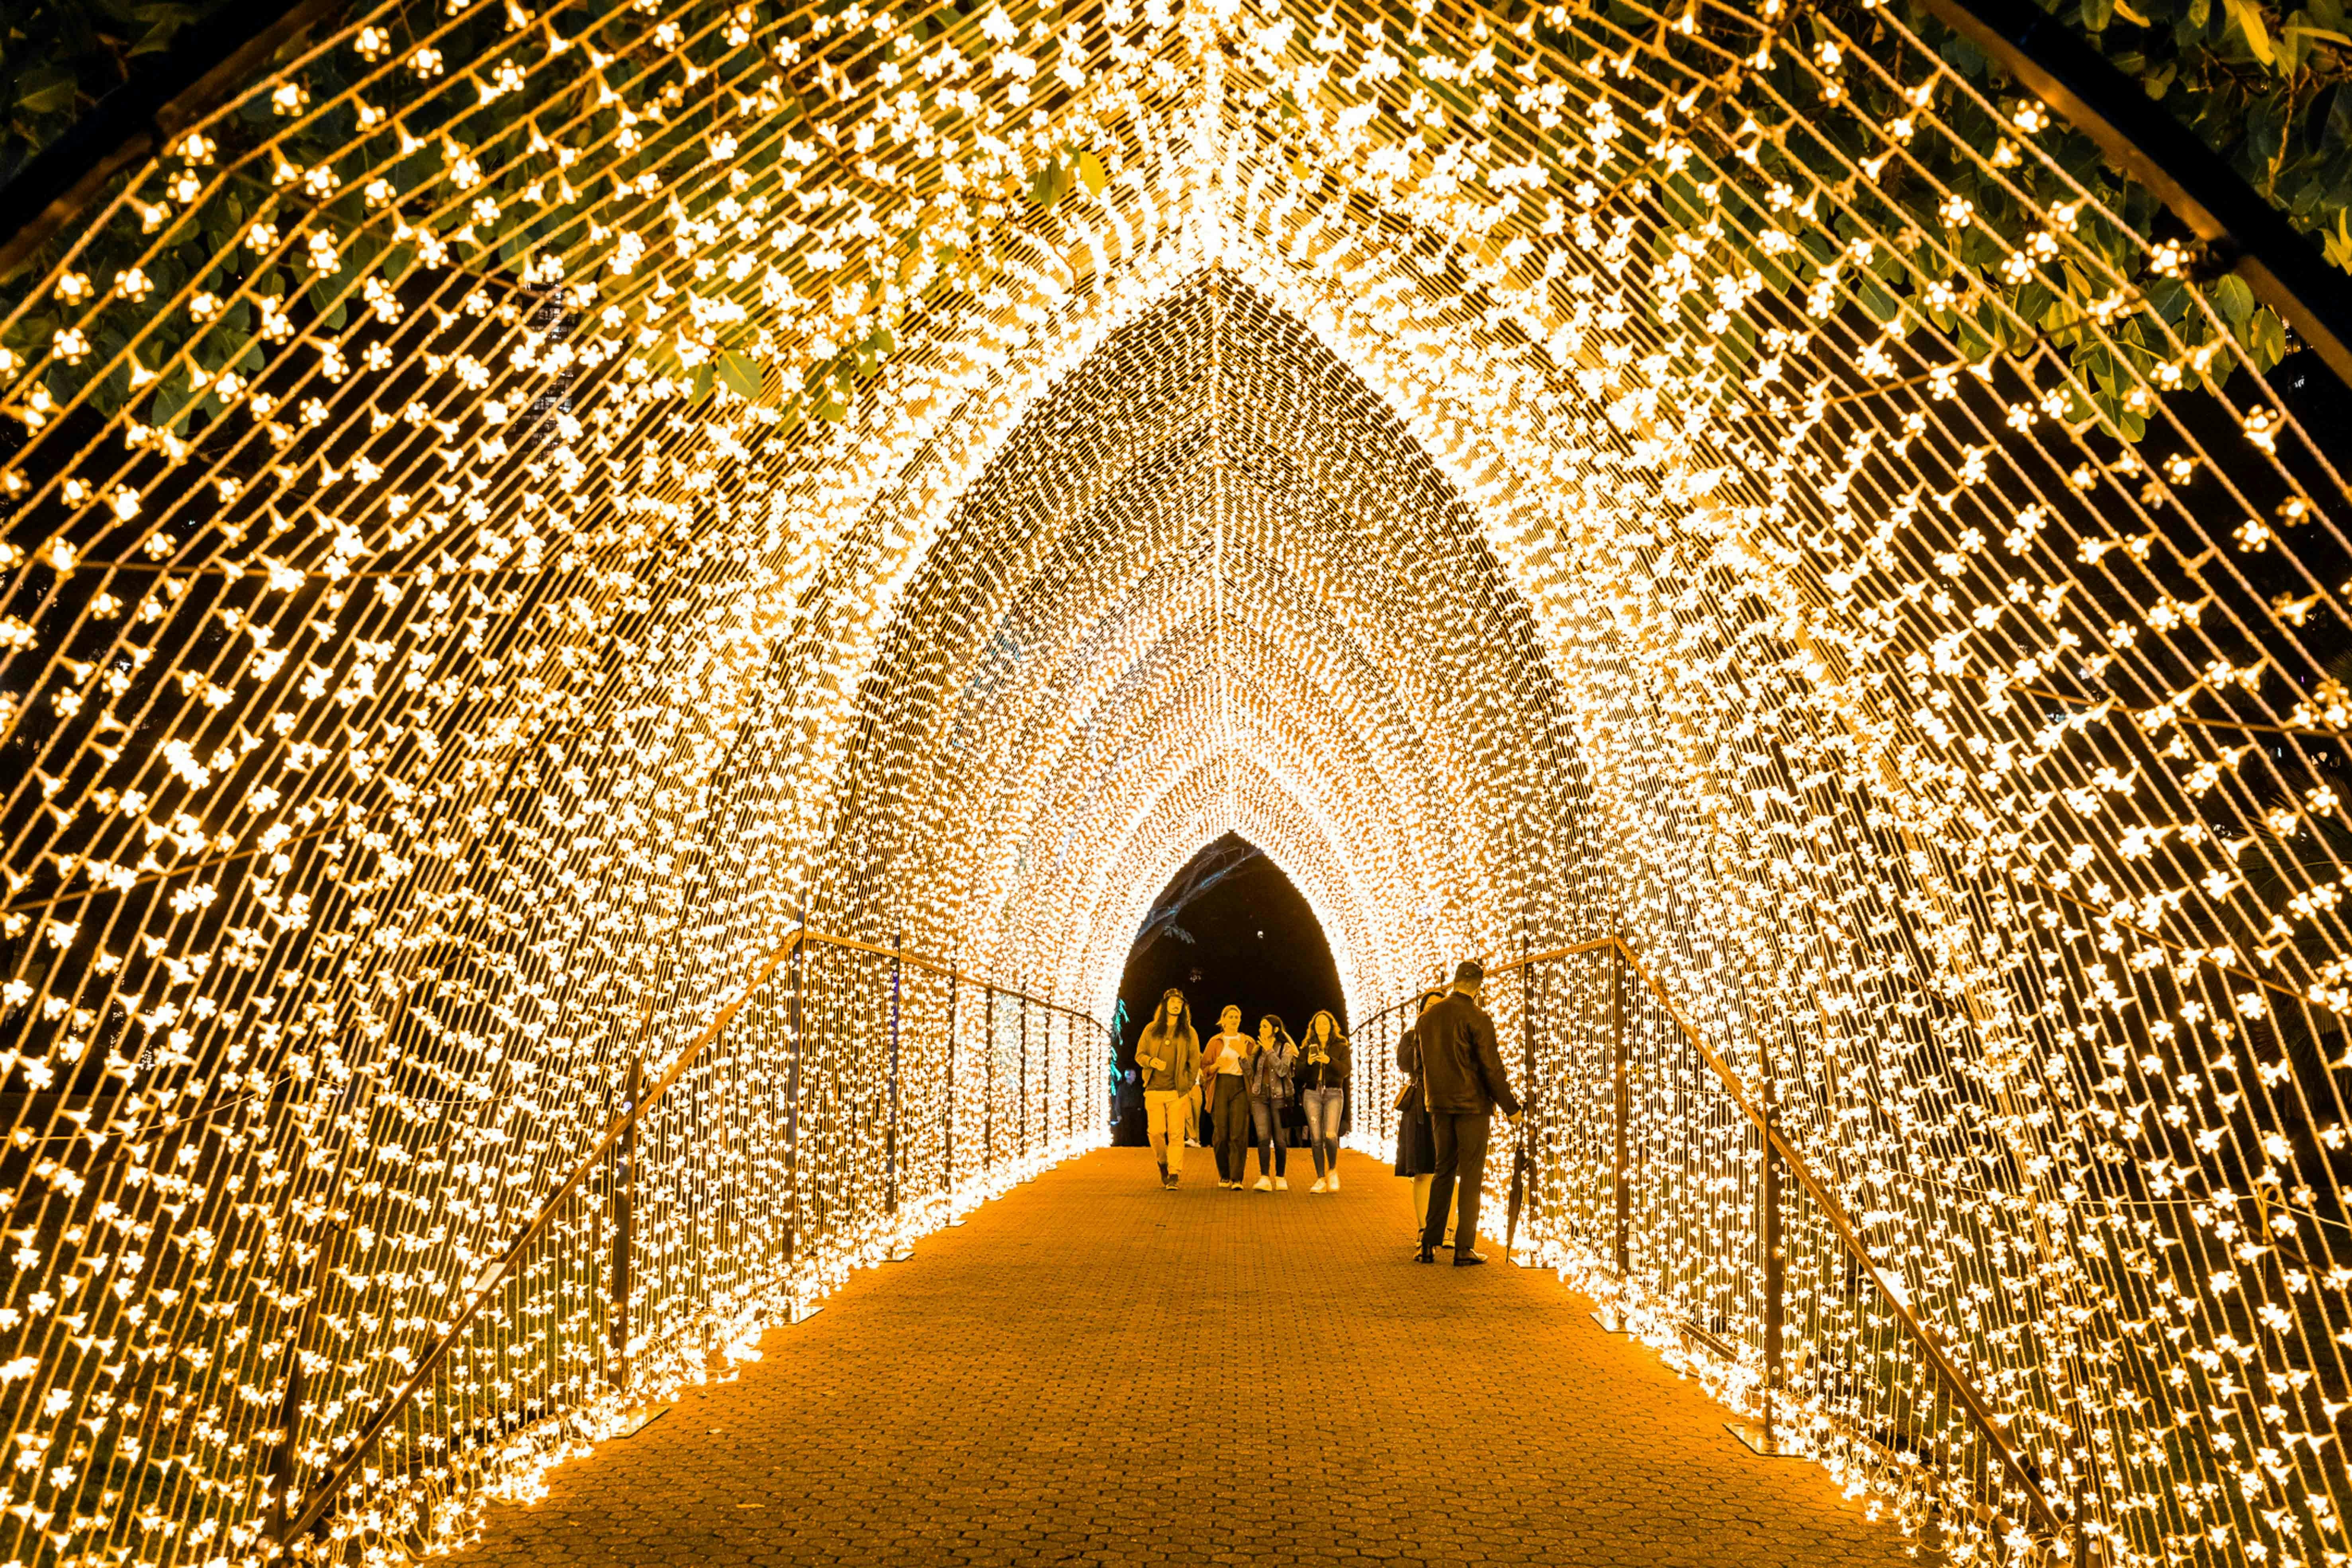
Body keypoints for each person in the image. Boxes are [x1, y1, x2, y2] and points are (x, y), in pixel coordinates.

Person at [1415, 960, 1521, 1266]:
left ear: (1454, 981)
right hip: (1473, 1105)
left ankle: (1428, 1244)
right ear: (1478, 985)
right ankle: (1464, 1247)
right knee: (1472, 1174)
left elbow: (1420, 1063)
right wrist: (1511, 1108)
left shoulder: (1427, 1018)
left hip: (1438, 1103)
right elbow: (1491, 1068)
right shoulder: (1478, 1017)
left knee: (1443, 1170)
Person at [1392, 989, 1448, 1245]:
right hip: (1420, 1109)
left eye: (1439, 1005)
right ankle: (1425, 1230)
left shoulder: (1452, 1034)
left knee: (1449, 1171)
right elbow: (1404, 1063)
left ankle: (1449, 1230)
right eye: (1429, 1006)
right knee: (1424, 1171)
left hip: (1447, 1106)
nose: (1433, 1010)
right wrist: (1420, 1036)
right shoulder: (1411, 1037)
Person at [1135, 989, 1199, 1189]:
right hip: (1154, 1089)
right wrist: (1151, 1062)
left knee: (1176, 1134)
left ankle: (1174, 1174)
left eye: (1179, 1003)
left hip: (1177, 1092)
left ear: (1183, 1007)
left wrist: (1187, 1085)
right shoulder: (1151, 1029)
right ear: (1164, 1005)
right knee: (1155, 1132)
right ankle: (1162, 1162)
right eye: (1172, 1002)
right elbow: (1140, 1055)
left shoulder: (1189, 1032)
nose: (1176, 1005)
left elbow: (1194, 1061)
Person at [1296, 1010, 1350, 1192]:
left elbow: (1345, 1070)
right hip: (1312, 1093)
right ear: (1313, 1027)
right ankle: (1320, 1178)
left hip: (1334, 1092)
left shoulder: (1341, 1046)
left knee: (1330, 1134)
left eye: (1325, 1023)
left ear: (1331, 1026)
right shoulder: (1307, 1047)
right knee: (1316, 1137)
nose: (1321, 1026)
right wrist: (1310, 1063)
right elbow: (1299, 1074)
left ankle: (1333, 1170)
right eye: (1318, 1024)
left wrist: (1329, 1061)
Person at [1200, 1005, 1253, 1189]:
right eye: (1230, 1017)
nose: (1234, 1020)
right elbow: (1204, 1069)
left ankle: (1237, 1178)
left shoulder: (1247, 1041)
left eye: (1237, 1017)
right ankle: (1224, 1174)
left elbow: (1255, 1071)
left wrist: (1243, 1054)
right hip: (1220, 1086)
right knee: (1221, 1134)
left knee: (1238, 1133)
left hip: (1240, 1086)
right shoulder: (1215, 1042)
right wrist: (1216, 1066)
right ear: (1223, 1020)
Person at [1244, 1014, 1297, 1192]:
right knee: (1263, 1137)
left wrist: (1269, 1051)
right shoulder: (1258, 1049)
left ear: (1275, 1029)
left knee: (1281, 1140)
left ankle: (1281, 1176)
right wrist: (1241, 1057)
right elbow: (1251, 1074)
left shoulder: (1286, 1047)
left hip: (1280, 1097)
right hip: (1260, 1097)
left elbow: (1283, 1070)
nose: (1261, 1029)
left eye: (1265, 1026)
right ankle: (1264, 1177)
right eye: (1260, 1026)